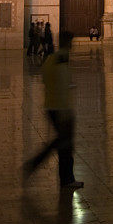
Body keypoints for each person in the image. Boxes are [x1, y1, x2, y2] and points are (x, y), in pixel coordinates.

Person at [23, 31, 83, 190]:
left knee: (60, 142)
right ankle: (66, 179)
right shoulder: (63, 58)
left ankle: (36, 165)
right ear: (68, 43)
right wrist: (65, 111)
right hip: (61, 108)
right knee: (65, 145)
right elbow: (63, 83)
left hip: (50, 105)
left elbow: (45, 76)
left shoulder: (51, 59)